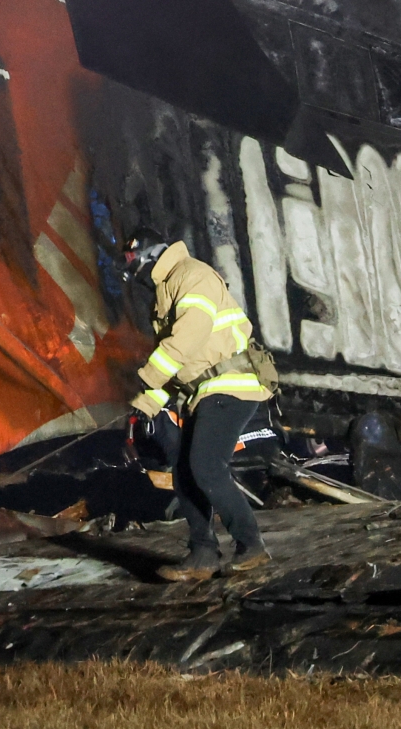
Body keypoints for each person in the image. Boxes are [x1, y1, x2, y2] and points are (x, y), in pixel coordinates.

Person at [124, 230, 272, 581]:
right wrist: (144, 403)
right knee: (185, 471)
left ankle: (251, 545)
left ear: (151, 254)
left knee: (205, 465)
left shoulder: (192, 275)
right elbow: (177, 372)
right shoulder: (164, 292)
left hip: (232, 385)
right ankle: (203, 553)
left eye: (133, 262)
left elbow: (186, 339)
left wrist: (146, 377)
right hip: (203, 390)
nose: (134, 272)